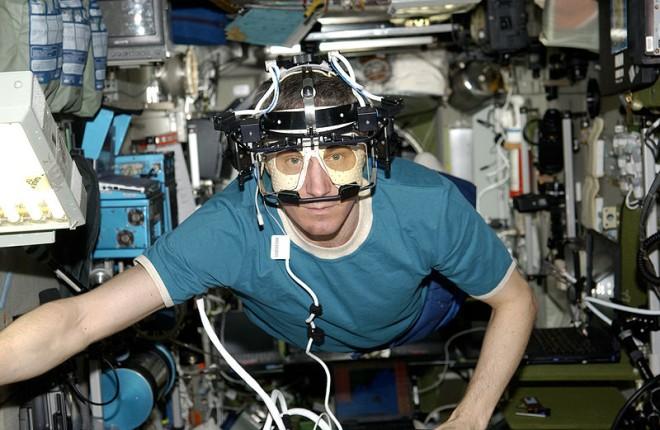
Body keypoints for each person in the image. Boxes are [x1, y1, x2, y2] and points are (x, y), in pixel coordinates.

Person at [0, 54, 536, 430]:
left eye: (339, 156)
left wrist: (470, 417)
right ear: (259, 170)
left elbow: (514, 300)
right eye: (289, 162)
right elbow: (80, 320)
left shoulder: (427, 209)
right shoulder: (230, 230)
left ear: (370, 155)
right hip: (302, 337)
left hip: (418, 313)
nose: (318, 188)